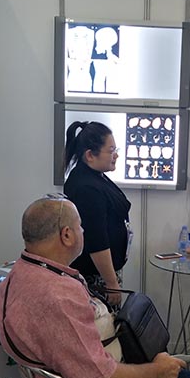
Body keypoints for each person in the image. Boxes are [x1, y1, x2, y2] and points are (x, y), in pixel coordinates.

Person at [0, 196, 190, 378]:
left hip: (86, 377)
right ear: (67, 235)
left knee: (174, 367)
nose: (83, 231)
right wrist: (155, 372)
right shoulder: (57, 297)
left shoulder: (19, 273)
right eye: (80, 226)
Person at [64, 121, 130, 309]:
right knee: (102, 323)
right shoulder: (86, 188)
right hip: (96, 278)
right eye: (111, 151)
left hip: (104, 273)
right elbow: (96, 241)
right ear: (90, 155)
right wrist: (111, 283)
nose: (116, 155)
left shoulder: (95, 175)